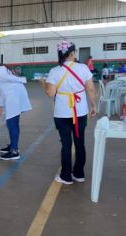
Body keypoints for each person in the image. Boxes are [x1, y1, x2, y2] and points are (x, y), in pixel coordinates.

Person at [40, 40, 97, 185]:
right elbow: (90, 89)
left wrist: (43, 84)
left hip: (62, 113)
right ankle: (79, 174)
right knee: (80, 142)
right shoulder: (83, 68)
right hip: (80, 112)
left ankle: (66, 176)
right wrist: (94, 105)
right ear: (72, 53)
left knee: (66, 143)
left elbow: (51, 93)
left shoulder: (55, 71)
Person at [0, 57, 32, 161]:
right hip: (11, 96)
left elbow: (11, 78)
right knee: (11, 122)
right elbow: (2, 90)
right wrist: (0, 106)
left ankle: (14, 151)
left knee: (12, 123)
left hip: (14, 96)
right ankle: (13, 145)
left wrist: (22, 79)